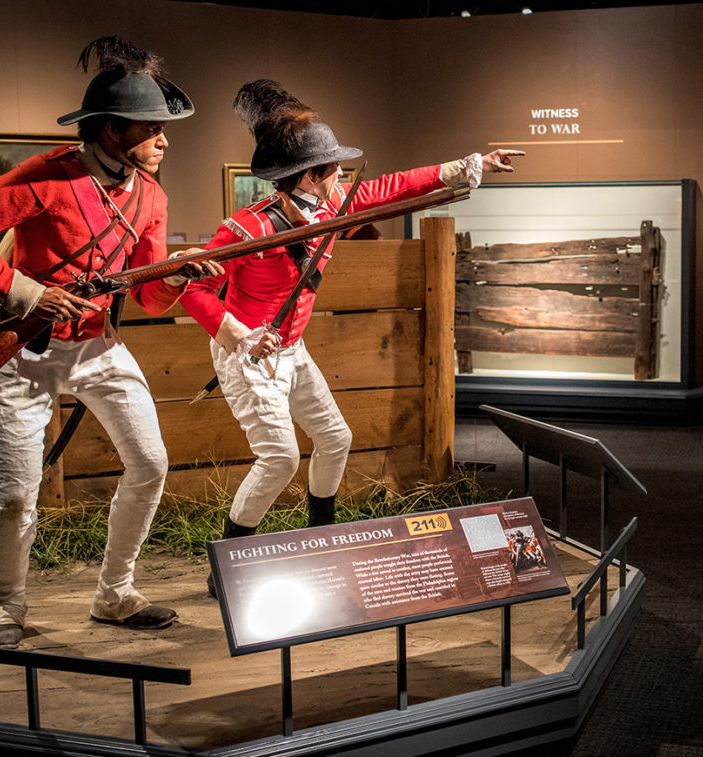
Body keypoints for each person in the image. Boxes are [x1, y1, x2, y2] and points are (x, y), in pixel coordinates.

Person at [179, 80, 523, 597]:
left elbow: (397, 186)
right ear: (308, 175)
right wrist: (241, 336)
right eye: (331, 166)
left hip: (292, 351)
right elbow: (195, 291)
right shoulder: (246, 229)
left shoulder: (334, 203)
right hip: (247, 353)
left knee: (335, 439)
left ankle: (322, 537)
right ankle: (225, 566)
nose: (341, 172)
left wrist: (472, 164)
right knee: (278, 459)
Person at [0, 37, 222, 648]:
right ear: (111, 128)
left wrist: (178, 273)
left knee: (150, 464)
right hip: (24, 352)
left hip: (98, 347)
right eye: (151, 127)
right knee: (19, 494)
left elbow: (149, 296)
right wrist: (25, 292)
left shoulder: (151, 196)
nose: (164, 139)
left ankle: (115, 593)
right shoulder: (47, 175)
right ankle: (8, 607)